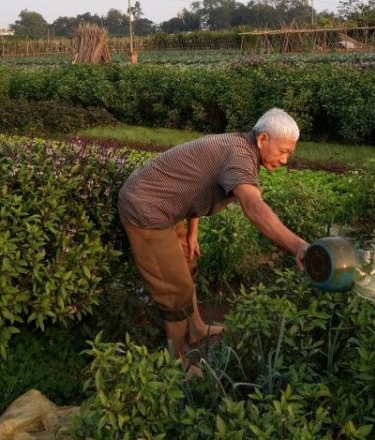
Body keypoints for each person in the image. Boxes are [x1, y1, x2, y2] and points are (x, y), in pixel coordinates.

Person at [117, 108, 309, 366]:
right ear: (263, 139)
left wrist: (192, 233)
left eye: (289, 153)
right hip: (147, 208)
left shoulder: (237, 146)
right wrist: (298, 246)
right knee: (175, 292)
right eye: (283, 151)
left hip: (164, 204)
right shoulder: (240, 156)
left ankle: (196, 330)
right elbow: (252, 206)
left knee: (187, 262)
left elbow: (193, 183)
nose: (285, 159)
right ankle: (177, 363)